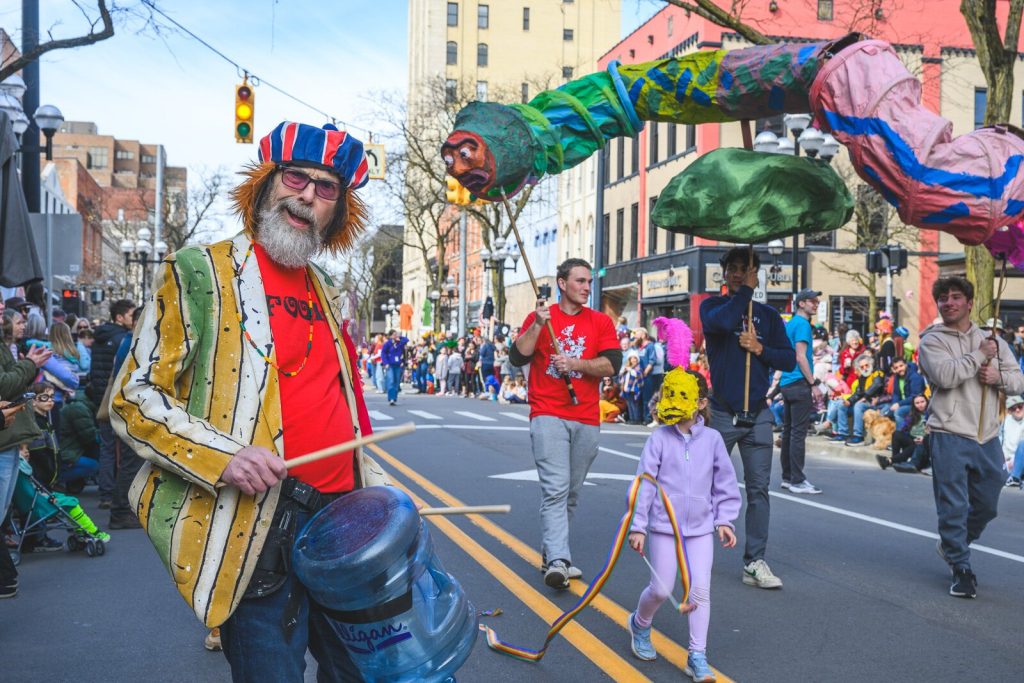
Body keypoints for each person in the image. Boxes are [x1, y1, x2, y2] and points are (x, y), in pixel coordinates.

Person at [109, 120, 378, 680]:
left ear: (338, 212)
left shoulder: (328, 290)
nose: (306, 194)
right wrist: (224, 457)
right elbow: (133, 397)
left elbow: (347, 403)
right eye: (295, 177)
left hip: (342, 522)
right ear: (266, 184)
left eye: (325, 188)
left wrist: (376, 498)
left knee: (362, 673)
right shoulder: (199, 272)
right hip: (255, 526)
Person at [510, 258, 620, 589]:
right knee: (556, 488)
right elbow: (518, 357)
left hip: (586, 414)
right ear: (562, 283)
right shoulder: (540, 318)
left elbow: (611, 365)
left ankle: (551, 553)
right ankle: (559, 559)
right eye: (580, 281)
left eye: (589, 281)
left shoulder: (600, 322)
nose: (587, 287)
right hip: (547, 413)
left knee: (571, 492)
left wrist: (574, 363)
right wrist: (538, 326)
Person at [626, 366, 739, 683]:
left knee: (700, 591)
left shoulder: (714, 440)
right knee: (661, 589)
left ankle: (697, 655)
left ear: (701, 403)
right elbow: (645, 483)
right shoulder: (659, 439)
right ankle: (640, 623)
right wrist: (638, 525)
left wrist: (724, 519)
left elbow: (725, 484)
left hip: (701, 530)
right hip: (664, 527)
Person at [917, 276, 1024, 599]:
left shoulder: (993, 340)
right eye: (943, 299)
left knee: (988, 504)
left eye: (955, 297)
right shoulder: (931, 341)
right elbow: (946, 376)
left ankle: (954, 544)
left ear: (968, 302)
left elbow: (1019, 381)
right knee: (953, 505)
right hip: (948, 433)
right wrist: (979, 356)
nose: (949, 303)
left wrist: (998, 376)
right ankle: (961, 567)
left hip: (986, 434)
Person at [699, 247, 795, 589]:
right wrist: (747, 293)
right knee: (700, 483)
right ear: (724, 273)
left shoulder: (768, 317)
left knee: (759, 490)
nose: (739, 274)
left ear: (756, 272)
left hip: (758, 415)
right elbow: (723, 323)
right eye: (734, 269)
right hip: (722, 412)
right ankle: (691, 549)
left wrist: (760, 350)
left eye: (746, 268)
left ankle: (755, 561)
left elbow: (787, 360)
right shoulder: (712, 307)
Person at [85, 298, 136, 509]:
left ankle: (106, 493)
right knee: (125, 453)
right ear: (119, 317)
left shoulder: (99, 338)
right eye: (131, 315)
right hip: (116, 399)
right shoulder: (122, 339)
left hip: (101, 399)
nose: (134, 320)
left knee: (107, 448)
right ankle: (119, 497)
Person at [779, 289, 823, 494]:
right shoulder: (803, 325)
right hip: (799, 383)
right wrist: (813, 383)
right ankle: (797, 480)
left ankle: (787, 477)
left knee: (788, 432)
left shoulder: (791, 324)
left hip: (787, 382)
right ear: (801, 303)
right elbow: (801, 356)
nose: (816, 304)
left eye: (817, 301)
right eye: (812, 301)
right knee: (798, 433)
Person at [833, 354, 885, 446]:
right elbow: (858, 393)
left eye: (867, 365)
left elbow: (877, 384)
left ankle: (858, 436)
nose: (865, 368)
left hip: (876, 401)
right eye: (862, 367)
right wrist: (849, 401)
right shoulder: (862, 377)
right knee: (841, 404)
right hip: (865, 401)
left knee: (858, 405)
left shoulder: (877, 372)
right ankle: (843, 433)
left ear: (871, 364)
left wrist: (865, 396)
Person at [878, 394, 929, 470]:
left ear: (927, 402)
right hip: (912, 439)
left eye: (922, 402)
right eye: (917, 403)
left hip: (924, 442)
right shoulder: (913, 414)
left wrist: (924, 437)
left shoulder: (931, 414)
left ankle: (890, 461)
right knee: (896, 434)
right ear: (914, 405)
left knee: (916, 445)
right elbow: (904, 429)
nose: (920, 405)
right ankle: (895, 461)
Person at [1000, 395, 1024, 487]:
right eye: (1013, 408)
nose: (1017, 410)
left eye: (1020, 407)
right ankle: (1012, 476)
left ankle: (1014, 477)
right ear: (1009, 411)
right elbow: (999, 441)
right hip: (1006, 460)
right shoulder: (1005, 422)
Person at [381, 329, 409, 406]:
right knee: (391, 380)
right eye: (394, 334)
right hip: (390, 364)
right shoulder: (387, 344)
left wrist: (400, 337)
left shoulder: (399, 343)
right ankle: (391, 398)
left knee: (396, 382)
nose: (395, 336)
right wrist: (385, 363)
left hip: (398, 365)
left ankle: (394, 397)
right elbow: (383, 353)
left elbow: (406, 340)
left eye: (396, 334)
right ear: (390, 336)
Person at [619, 355, 644, 424]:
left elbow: (638, 376)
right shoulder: (627, 367)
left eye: (635, 358)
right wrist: (624, 370)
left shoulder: (638, 367)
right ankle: (631, 418)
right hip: (626, 389)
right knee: (629, 404)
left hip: (634, 389)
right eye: (631, 358)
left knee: (634, 405)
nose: (633, 360)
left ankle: (636, 419)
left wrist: (630, 370)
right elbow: (622, 376)